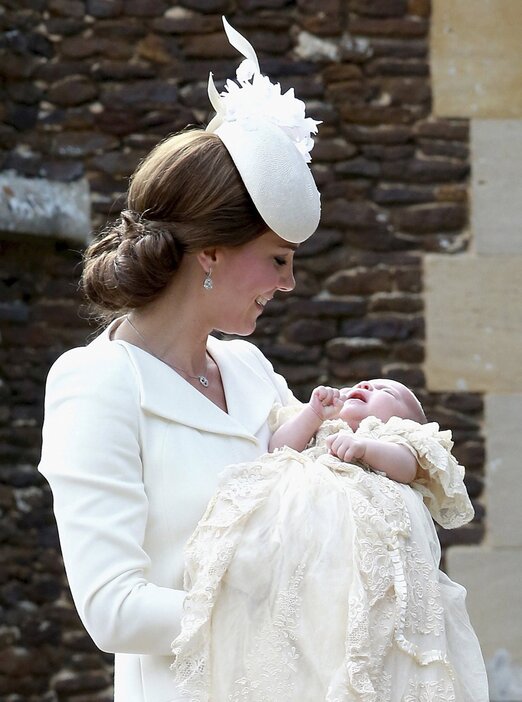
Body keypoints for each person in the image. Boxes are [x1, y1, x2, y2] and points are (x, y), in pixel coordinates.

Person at [38, 19, 321, 702]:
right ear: (212, 253)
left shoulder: (251, 370)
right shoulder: (96, 384)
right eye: (277, 260)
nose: (287, 284)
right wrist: (273, 606)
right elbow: (114, 609)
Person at [170, 379, 489, 701]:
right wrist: (312, 414)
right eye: (361, 384)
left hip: (356, 541)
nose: (365, 385)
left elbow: (406, 467)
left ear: (405, 419)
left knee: (356, 608)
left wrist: (366, 448)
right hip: (298, 534)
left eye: (386, 391)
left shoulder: (394, 437)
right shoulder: (323, 427)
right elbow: (278, 447)